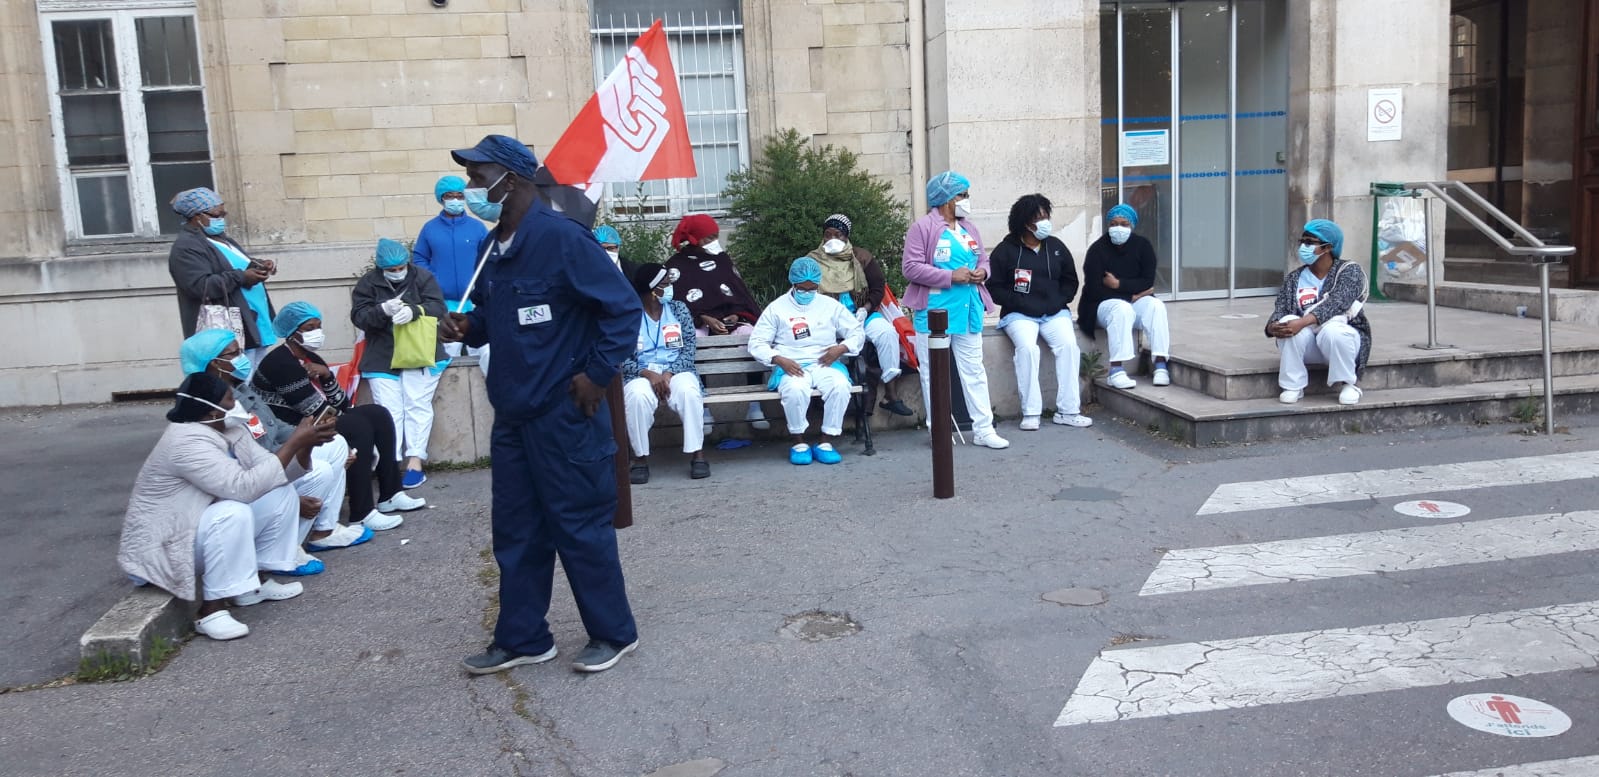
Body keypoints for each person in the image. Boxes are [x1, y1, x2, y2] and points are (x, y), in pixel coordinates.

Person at [442, 134, 641, 675]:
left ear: (514, 179)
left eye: (478, 176)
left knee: (579, 526)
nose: (470, 188)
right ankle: (525, 637)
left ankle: (613, 633)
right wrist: (469, 326)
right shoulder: (490, 250)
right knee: (516, 532)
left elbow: (624, 311)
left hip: (565, 415)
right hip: (513, 417)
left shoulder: (564, 240)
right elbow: (492, 323)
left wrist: (597, 376)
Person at [119, 373, 337, 640]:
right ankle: (210, 610)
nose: (237, 404)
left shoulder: (231, 429)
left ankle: (253, 584)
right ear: (211, 410)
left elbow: (275, 472)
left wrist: (307, 446)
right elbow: (242, 488)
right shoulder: (185, 441)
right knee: (233, 512)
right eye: (230, 399)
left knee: (281, 492)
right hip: (165, 543)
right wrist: (294, 442)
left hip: (197, 529)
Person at [181, 329, 370, 557]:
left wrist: (310, 435)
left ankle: (323, 531)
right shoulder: (211, 407)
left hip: (268, 459)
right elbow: (244, 464)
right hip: (248, 477)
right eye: (233, 354)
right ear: (214, 364)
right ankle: (285, 549)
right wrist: (300, 444)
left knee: (336, 443)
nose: (242, 357)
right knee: (320, 470)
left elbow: (274, 426)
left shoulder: (240, 387)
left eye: (240, 351)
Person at [252, 302, 425, 531]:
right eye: (309, 327)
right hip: (288, 429)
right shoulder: (281, 363)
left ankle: (390, 494)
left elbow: (342, 403)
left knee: (379, 413)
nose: (317, 332)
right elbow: (314, 409)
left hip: (311, 420)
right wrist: (340, 410)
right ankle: (361, 512)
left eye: (318, 326)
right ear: (292, 333)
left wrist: (326, 376)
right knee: (357, 425)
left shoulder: (312, 358)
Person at [901, 171, 1009, 450]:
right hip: (934, 310)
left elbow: (983, 257)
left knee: (974, 369)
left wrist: (982, 272)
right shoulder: (922, 228)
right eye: (961, 195)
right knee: (933, 373)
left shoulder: (969, 228)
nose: (966, 200)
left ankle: (984, 429)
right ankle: (938, 431)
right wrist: (950, 277)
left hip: (969, 307)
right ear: (946, 198)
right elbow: (910, 267)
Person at [986, 194, 1093, 431]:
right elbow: (995, 288)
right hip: (1019, 315)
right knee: (1027, 349)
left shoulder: (1055, 247)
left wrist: (1058, 300)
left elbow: (1070, 281)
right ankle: (1031, 412)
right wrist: (1021, 303)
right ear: (1025, 222)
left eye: (1046, 216)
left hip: (1054, 313)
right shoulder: (1005, 251)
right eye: (1038, 218)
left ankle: (1068, 410)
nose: (1044, 222)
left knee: (1068, 346)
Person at [748, 257, 865, 465]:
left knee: (839, 386)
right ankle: (799, 443)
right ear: (793, 284)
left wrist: (841, 348)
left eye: (812, 289)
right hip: (791, 365)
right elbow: (756, 343)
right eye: (803, 289)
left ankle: (825, 441)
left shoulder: (830, 305)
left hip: (824, 363)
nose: (807, 293)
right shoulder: (777, 309)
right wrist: (778, 359)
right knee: (794, 390)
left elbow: (856, 332)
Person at [352, 238, 449, 489]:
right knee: (388, 411)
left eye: (400, 268)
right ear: (381, 268)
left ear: (407, 263)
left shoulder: (423, 277)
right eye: (391, 270)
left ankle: (415, 461)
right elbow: (360, 318)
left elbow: (438, 307)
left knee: (417, 404)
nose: (397, 273)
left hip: (421, 351)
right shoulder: (368, 284)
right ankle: (390, 463)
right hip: (382, 355)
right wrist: (382, 311)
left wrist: (415, 311)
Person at [664, 213, 770, 431]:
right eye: (709, 237)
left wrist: (737, 315)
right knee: (694, 342)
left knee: (751, 337)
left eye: (716, 236)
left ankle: (755, 404)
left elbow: (740, 295)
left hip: (731, 322)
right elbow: (674, 304)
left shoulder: (722, 259)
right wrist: (703, 318)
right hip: (696, 322)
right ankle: (703, 409)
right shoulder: (676, 266)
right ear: (695, 239)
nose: (714, 242)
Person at [809, 213, 913, 417]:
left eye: (837, 235)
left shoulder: (861, 257)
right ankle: (822, 402)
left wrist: (866, 308)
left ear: (846, 236)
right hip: (828, 320)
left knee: (886, 334)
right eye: (828, 235)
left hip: (860, 314)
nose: (832, 240)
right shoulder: (812, 260)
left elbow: (877, 288)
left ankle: (891, 395)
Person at [1267, 219, 1372, 405]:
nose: (1303, 247)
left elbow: (1337, 302)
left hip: (1342, 341)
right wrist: (1273, 327)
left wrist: (1302, 322)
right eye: (1302, 241)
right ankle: (1293, 386)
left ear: (1328, 247)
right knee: (1288, 319)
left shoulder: (1349, 271)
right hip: (1310, 345)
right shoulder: (1294, 278)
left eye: (1310, 242)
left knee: (1333, 329)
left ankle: (1348, 383)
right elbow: (1281, 308)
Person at [167, 187, 278, 364]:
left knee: (255, 383)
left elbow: (231, 266)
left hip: (253, 324)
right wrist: (242, 277)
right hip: (229, 331)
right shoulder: (186, 247)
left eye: (223, 214)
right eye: (217, 215)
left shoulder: (221, 239)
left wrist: (257, 265)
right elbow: (200, 286)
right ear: (197, 217)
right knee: (236, 382)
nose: (222, 219)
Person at [621, 263, 709, 483]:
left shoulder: (678, 309)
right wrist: (648, 374)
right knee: (637, 397)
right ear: (652, 290)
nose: (670, 288)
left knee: (689, 391)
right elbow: (622, 357)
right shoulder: (629, 314)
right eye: (665, 284)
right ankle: (640, 458)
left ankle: (697, 454)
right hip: (642, 374)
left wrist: (669, 373)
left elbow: (688, 347)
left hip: (677, 370)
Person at [1079, 203, 1171, 389]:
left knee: (1156, 306)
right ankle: (1116, 370)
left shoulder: (1142, 246)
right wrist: (1131, 295)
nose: (1118, 228)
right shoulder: (1097, 250)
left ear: (1132, 226)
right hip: (1102, 306)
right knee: (1121, 308)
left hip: (1131, 303)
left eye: (1124, 224)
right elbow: (1095, 289)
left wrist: (1118, 285)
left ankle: (1160, 364)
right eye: (1113, 224)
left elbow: (1147, 281)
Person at [413, 175, 491, 374]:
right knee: (447, 352)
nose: (455, 200)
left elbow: (488, 259)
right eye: (450, 196)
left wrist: (480, 282)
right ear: (441, 198)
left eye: (459, 196)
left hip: (474, 302)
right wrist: (434, 280)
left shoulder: (477, 227)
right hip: (443, 303)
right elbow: (419, 258)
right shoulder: (430, 229)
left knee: (487, 350)